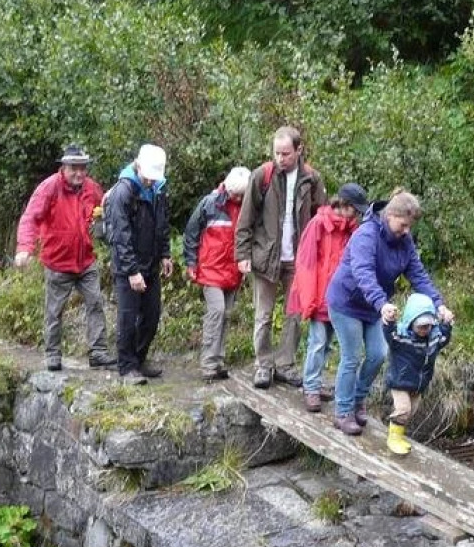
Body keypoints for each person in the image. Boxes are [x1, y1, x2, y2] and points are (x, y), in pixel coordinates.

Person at [324, 190, 453, 437]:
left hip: (374, 307)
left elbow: (418, 274)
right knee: (351, 356)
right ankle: (342, 412)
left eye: (410, 226)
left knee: (378, 354)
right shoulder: (366, 235)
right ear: (391, 215)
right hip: (346, 302)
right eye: (404, 225)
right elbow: (363, 273)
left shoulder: (405, 242)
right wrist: (382, 303)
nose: (406, 231)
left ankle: (358, 400)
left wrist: (439, 305)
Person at [234, 125, 327, 389]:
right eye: (277, 153)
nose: (281, 158)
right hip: (265, 257)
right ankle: (263, 365)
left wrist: (318, 258)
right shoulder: (261, 176)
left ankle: (285, 364)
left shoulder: (312, 179)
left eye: (286, 153)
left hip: (299, 260)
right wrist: (242, 254)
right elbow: (245, 220)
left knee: (294, 315)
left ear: (299, 150)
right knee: (263, 316)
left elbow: (322, 219)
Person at [15, 144, 114, 372]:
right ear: (63, 167)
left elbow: (105, 208)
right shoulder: (49, 188)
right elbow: (30, 217)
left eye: (83, 168)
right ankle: (52, 354)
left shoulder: (92, 188)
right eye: (74, 168)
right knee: (54, 311)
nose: (79, 173)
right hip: (58, 262)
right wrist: (24, 248)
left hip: (86, 260)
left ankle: (98, 352)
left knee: (96, 303)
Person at [287, 183, 368, 412]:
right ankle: (310, 387)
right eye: (355, 209)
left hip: (341, 301)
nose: (358, 215)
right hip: (319, 296)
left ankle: (315, 382)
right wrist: (309, 300)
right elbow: (306, 264)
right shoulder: (318, 225)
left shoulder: (353, 231)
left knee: (328, 344)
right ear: (343, 205)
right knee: (317, 342)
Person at [103, 143, 172, 385]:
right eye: (148, 177)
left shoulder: (158, 189)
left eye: (155, 177)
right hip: (127, 266)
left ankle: (139, 359)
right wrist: (132, 271)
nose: (151, 181)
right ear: (138, 166)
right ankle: (127, 367)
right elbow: (120, 236)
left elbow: (161, 223)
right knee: (127, 318)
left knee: (152, 317)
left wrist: (165, 253)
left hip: (151, 262)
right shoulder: (123, 192)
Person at [184, 165, 249, 381]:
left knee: (227, 315)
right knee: (217, 312)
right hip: (210, 268)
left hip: (233, 271)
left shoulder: (248, 208)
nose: (238, 198)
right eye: (235, 194)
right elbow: (191, 232)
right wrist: (191, 262)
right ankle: (208, 363)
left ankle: (219, 360)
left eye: (242, 195)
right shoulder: (209, 204)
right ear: (227, 189)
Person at [382, 293, 453, 455]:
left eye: (427, 326)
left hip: (419, 384)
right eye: (420, 326)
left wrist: (447, 325)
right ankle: (393, 438)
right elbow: (389, 334)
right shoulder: (401, 337)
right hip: (400, 381)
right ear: (411, 322)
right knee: (404, 409)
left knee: (412, 411)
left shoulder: (433, 338)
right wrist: (389, 321)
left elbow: (443, 339)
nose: (424, 329)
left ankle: (399, 435)